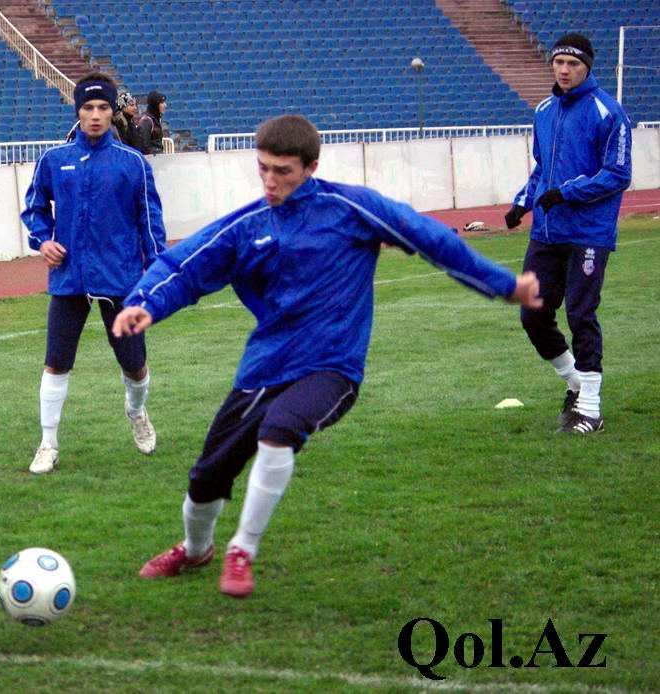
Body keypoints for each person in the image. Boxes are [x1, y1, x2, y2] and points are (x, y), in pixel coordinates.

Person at [112, 115, 542, 599]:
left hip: (333, 366)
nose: (270, 181)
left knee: (279, 432)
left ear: (311, 167)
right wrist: (145, 303)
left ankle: (242, 549)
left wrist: (503, 285)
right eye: (263, 168)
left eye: (283, 171)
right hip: (266, 365)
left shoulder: (351, 209)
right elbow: (186, 264)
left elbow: (430, 238)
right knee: (207, 476)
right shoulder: (248, 225)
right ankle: (196, 550)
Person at [22, 72, 167, 475]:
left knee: (135, 365)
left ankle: (136, 412)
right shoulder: (54, 161)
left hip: (120, 278)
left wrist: (155, 271)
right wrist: (42, 241)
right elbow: (34, 209)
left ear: (111, 111)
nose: (96, 115)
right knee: (56, 362)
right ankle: (48, 442)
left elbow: (150, 221)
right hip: (69, 278)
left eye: (103, 107)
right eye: (88, 107)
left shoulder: (133, 164)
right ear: (78, 112)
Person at [504, 33, 631, 434]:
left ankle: (590, 411)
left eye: (573, 64)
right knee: (532, 314)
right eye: (559, 62)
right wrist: (523, 202)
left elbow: (618, 174)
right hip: (547, 231)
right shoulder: (544, 110)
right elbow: (542, 168)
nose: (564, 70)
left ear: (587, 67)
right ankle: (576, 384)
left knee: (580, 313)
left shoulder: (608, 112)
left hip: (588, 232)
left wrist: (567, 192)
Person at [137, 90, 167, 155]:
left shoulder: (155, 119)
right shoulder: (147, 121)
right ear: (155, 104)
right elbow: (144, 146)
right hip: (153, 159)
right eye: (162, 103)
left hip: (158, 157)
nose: (165, 105)